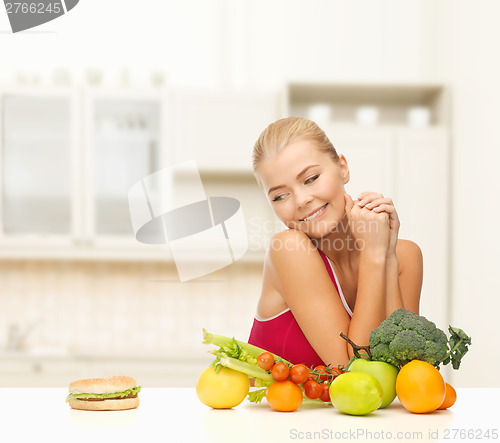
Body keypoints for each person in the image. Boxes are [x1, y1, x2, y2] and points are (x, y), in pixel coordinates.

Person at [247, 116, 423, 368]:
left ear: (342, 167)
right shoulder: (288, 248)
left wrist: (388, 259)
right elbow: (353, 371)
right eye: (280, 196)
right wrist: (373, 255)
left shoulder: (405, 256)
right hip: (265, 408)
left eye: (310, 179)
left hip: (358, 410)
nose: (301, 200)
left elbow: (406, 371)